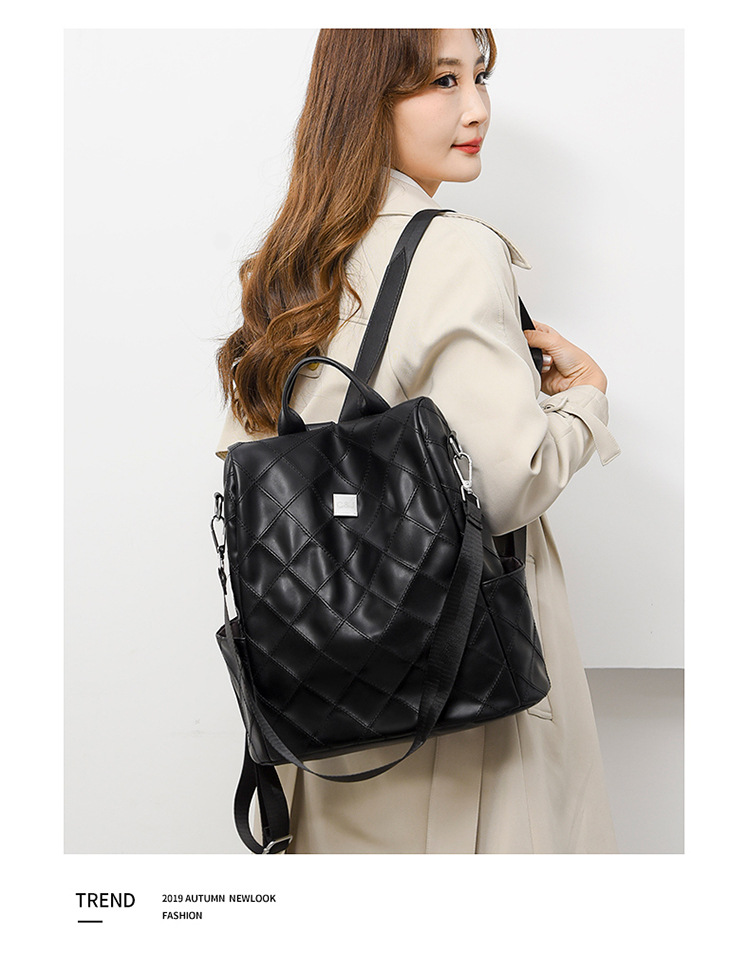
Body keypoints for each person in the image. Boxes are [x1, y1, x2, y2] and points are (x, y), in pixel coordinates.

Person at [215, 28, 621, 853]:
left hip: (325, 715)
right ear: (367, 98)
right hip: (458, 714)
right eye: (442, 80)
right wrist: (584, 403)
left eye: (480, 75)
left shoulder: (287, 266)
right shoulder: (456, 247)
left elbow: (256, 470)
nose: (476, 109)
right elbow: (507, 483)